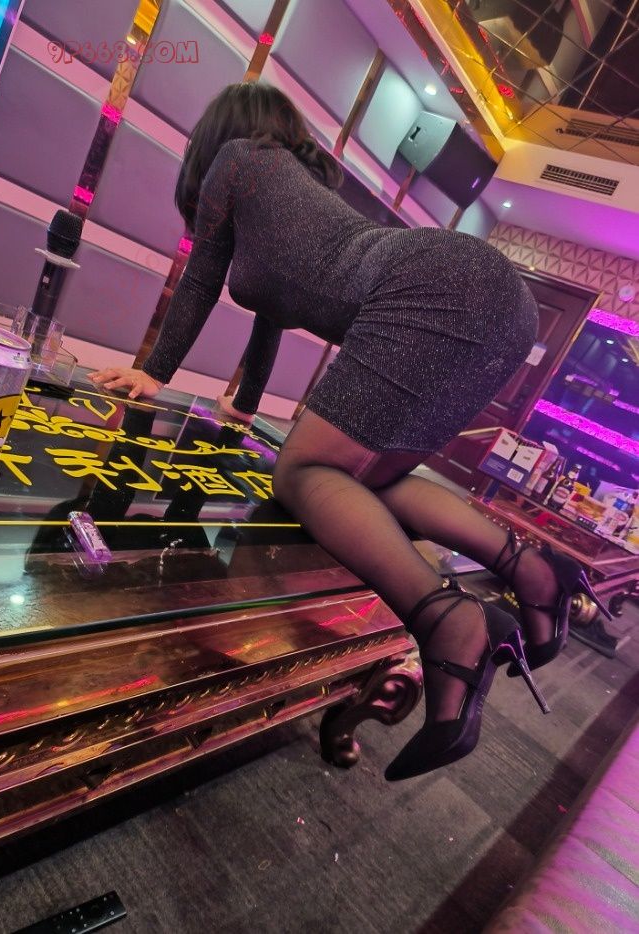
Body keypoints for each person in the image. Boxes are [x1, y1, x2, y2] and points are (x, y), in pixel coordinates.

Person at [90, 81, 608, 780]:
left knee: (302, 473)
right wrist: (245, 403)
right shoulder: (292, 196)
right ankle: (532, 570)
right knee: (366, 481)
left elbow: (202, 279)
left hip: (439, 285)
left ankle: (448, 621)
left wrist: (151, 372)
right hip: (502, 303)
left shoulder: (237, 160)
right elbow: (271, 310)